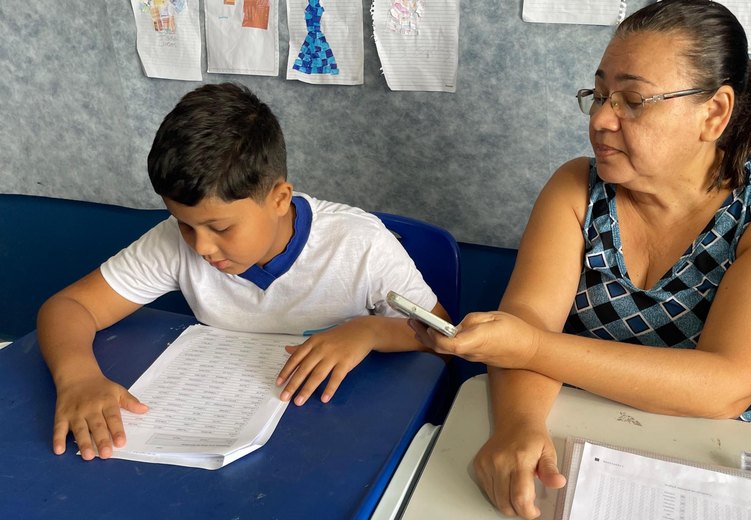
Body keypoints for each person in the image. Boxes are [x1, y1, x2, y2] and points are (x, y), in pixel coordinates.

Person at [411, 1, 751, 518]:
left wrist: (531, 346)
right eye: (600, 95)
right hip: (598, 438)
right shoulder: (578, 187)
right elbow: (529, 319)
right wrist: (519, 427)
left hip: (741, 455)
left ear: (714, 113)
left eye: (632, 100)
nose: (602, 120)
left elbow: (725, 386)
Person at [37, 82, 449, 462]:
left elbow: (445, 340)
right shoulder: (174, 242)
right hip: (230, 428)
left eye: (219, 228)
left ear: (279, 199)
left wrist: (370, 330)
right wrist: (78, 378)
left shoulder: (361, 245)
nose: (200, 246)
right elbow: (70, 306)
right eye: (184, 224)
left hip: (339, 434)